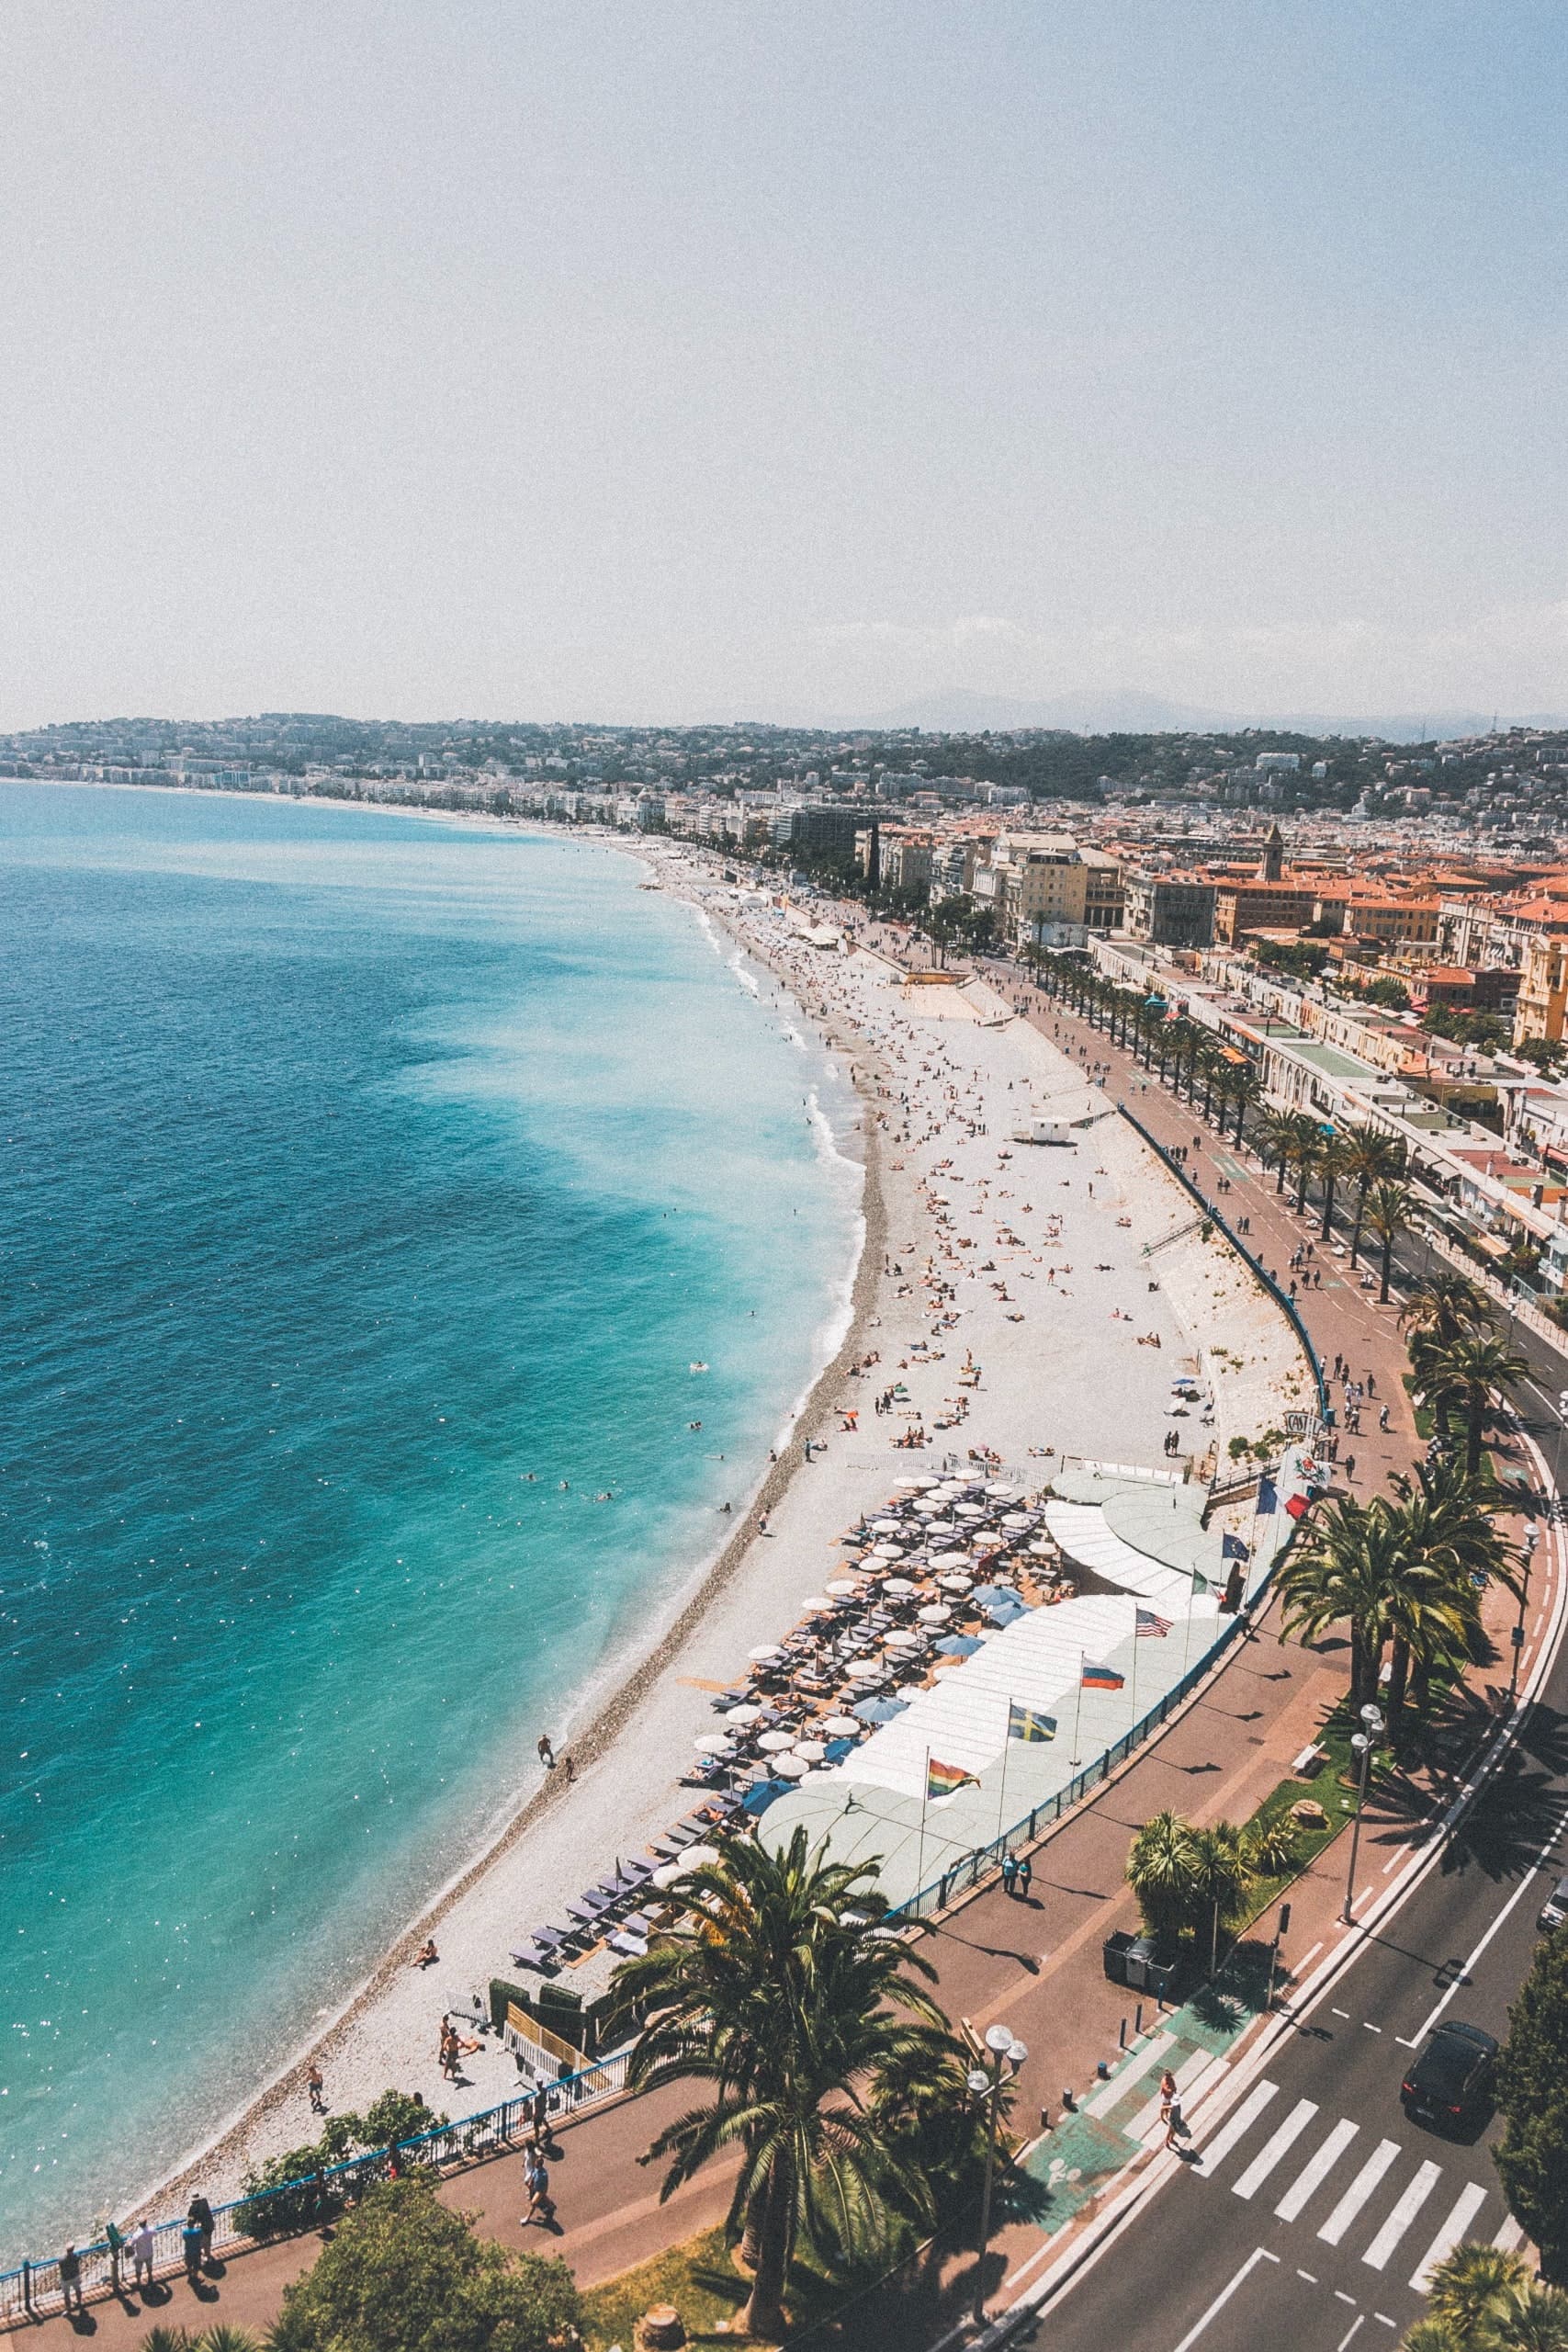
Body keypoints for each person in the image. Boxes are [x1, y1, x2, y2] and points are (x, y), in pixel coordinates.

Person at [522, 2151, 553, 2226]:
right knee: (544, 2198)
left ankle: (527, 2218)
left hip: (540, 2190)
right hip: (537, 2188)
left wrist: (537, 2191)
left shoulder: (543, 2174)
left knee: (533, 2203)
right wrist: (531, 2182)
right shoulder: (536, 2169)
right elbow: (533, 2174)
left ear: (540, 2165)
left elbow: (543, 2184)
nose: (535, 2165)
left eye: (536, 2164)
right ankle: (550, 2206)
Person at [128, 2219, 155, 2295]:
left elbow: (131, 2245)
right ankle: (150, 2278)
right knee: (149, 2266)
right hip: (149, 2252)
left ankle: (139, 2282)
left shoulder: (136, 2235)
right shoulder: (151, 2230)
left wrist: (128, 2241)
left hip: (140, 2254)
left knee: (138, 2269)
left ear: (139, 2225)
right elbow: (155, 2233)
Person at [188, 2193, 215, 2268]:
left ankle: (204, 2259)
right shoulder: (204, 2203)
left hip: (203, 2228)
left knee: (201, 2243)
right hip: (210, 2225)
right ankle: (208, 2256)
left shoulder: (193, 2208)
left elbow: (190, 2221)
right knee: (208, 2242)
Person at [59, 2245, 84, 2315]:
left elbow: (60, 2264)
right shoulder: (76, 2257)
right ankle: (79, 2302)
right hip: (75, 2276)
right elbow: (79, 2258)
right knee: (78, 2289)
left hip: (66, 2279)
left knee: (66, 2294)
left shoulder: (62, 2259)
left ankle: (68, 2309)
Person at [181, 2214, 203, 2284]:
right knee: (196, 2265)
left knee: (189, 2264)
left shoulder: (185, 2232)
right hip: (196, 2250)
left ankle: (190, 2276)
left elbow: (184, 2238)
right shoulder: (198, 2231)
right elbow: (201, 2237)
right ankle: (195, 2277)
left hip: (188, 2250)